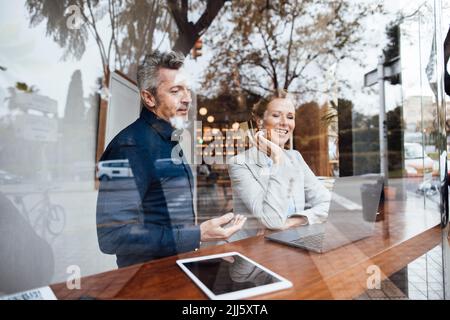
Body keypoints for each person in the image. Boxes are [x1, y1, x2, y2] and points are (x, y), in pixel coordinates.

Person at [96, 51, 246, 268]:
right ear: (149, 98)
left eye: (187, 89)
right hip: (148, 284)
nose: (187, 99)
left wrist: (196, 242)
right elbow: (112, 236)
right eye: (176, 91)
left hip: (179, 271)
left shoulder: (169, 140)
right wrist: (197, 234)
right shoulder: (129, 147)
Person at [227, 89, 330, 240]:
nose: (285, 123)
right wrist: (278, 159)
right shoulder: (240, 163)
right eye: (276, 115)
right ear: (260, 121)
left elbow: (327, 203)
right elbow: (272, 220)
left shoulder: (295, 158)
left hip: (293, 241)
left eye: (290, 117)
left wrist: (292, 222)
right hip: (254, 249)